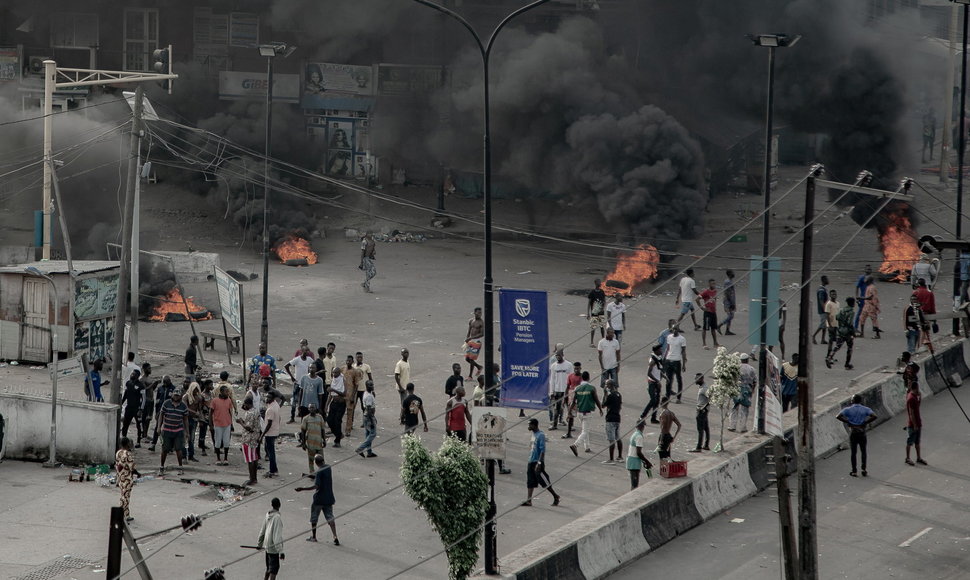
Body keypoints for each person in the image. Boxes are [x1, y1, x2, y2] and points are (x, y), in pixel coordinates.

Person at [295, 455, 340, 545]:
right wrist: (308, 476)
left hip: (319, 499)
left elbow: (316, 485)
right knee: (330, 517)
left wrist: (302, 489)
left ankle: (314, 537)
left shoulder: (319, 472)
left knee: (314, 518)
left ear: (316, 463)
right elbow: (318, 476)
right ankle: (335, 536)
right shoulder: (328, 467)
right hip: (328, 498)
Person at [521, 418, 561, 507]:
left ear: (534, 425)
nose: (529, 426)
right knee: (530, 481)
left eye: (530, 425)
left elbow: (542, 450)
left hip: (537, 462)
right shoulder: (533, 434)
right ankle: (529, 500)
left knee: (544, 481)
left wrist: (539, 463)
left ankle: (555, 496)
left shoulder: (541, 435)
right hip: (531, 461)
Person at [836, 394, 877, 477]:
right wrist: (865, 422)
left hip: (853, 432)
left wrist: (848, 422)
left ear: (852, 401)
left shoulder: (848, 409)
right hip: (862, 432)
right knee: (863, 451)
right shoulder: (865, 409)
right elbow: (874, 416)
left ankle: (854, 471)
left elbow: (838, 416)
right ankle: (863, 469)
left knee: (853, 452)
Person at [569, 371, 602, 456]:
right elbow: (596, 400)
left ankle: (587, 446)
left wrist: (569, 412)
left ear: (582, 378)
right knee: (585, 431)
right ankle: (575, 445)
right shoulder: (591, 388)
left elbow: (573, 402)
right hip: (587, 413)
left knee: (585, 430)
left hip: (579, 412)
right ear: (588, 378)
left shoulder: (577, 388)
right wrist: (600, 409)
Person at [159, 389, 189, 476]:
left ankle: (180, 467)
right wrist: (159, 427)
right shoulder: (166, 403)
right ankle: (161, 467)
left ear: (180, 396)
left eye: (177, 396)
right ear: (172, 395)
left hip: (178, 430)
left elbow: (185, 419)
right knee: (164, 449)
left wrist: (187, 432)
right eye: (175, 395)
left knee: (178, 449)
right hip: (167, 429)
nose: (176, 397)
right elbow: (161, 415)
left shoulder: (183, 406)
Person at [256, 497, 285, 580]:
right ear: (279, 505)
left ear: (272, 505)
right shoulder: (277, 518)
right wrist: (281, 551)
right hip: (273, 548)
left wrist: (259, 543)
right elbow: (277, 536)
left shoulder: (267, 515)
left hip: (267, 546)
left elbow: (263, 530)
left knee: (269, 567)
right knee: (274, 570)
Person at [285, 347, 315, 423]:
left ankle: (303, 416)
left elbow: (314, 366)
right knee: (294, 401)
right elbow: (286, 366)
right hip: (297, 383)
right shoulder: (297, 359)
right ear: (302, 351)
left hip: (306, 384)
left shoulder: (309, 360)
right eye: (305, 350)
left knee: (304, 401)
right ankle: (292, 417)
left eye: (308, 350)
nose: (307, 352)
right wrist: (292, 377)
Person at [826, 297, 856, 370]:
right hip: (847, 332)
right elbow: (850, 323)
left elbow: (837, 317)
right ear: (852, 303)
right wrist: (853, 332)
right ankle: (847, 364)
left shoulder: (842, 310)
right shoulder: (851, 312)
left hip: (840, 330)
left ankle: (829, 357)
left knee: (838, 346)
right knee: (850, 348)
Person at [237, 397, 261, 485]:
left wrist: (240, 422)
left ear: (247, 404)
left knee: (250, 460)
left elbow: (249, 428)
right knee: (254, 458)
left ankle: (252, 478)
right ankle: (254, 478)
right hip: (255, 437)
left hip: (248, 439)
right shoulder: (256, 411)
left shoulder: (249, 413)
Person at [728, 354, 755, 432]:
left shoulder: (736, 368)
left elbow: (731, 379)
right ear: (747, 360)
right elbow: (754, 381)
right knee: (744, 409)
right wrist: (752, 390)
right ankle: (743, 427)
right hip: (747, 391)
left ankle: (732, 425)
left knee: (734, 408)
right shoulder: (751, 369)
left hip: (736, 390)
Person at [148, 376, 176, 452]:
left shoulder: (173, 389)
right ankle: (153, 444)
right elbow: (157, 401)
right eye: (164, 381)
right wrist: (156, 412)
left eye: (166, 381)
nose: (165, 383)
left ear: (170, 381)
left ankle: (170, 446)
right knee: (158, 427)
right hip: (161, 412)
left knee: (170, 429)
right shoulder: (160, 388)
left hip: (170, 412)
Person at [115, 437, 140, 522]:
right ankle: (121, 514)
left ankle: (126, 514)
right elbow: (132, 467)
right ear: (127, 444)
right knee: (125, 497)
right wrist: (138, 473)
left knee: (123, 495)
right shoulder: (127, 454)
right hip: (127, 478)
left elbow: (118, 465)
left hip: (121, 477)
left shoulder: (118, 452)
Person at [904, 373, 927, 467]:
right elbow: (911, 413)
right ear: (915, 387)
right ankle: (908, 458)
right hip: (913, 424)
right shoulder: (911, 399)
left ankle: (918, 457)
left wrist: (920, 397)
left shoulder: (915, 397)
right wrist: (915, 425)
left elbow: (918, 407)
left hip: (918, 422)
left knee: (917, 441)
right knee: (910, 441)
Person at [211, 384, 235, 465]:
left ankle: (225, 458)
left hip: (227, 424)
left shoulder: (229, 400)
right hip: (218, 424)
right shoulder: (214, 401)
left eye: (228, 392)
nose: (227, 393)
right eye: (226, 391)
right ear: (221, 392)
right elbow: (211, 412)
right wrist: (211, 424)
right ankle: (218, 458)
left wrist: (231, 424)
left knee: (226, 442)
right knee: (217, 442)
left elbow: (229, 412)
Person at [640, 344, 664, 424]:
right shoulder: (653, 361)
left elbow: (658, 370)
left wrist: (664, 376)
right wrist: (657, 381)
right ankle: (642, 417)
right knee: (652, 400)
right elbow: (649, 373)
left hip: (657, 382)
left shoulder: (658, 358)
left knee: (657, 401)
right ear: (656, 351)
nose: (661, 351)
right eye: (660, 350)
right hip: (652, 383)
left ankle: (653, 418)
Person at [663, 325, 687, 402]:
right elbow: (668, 348)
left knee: (678, 379)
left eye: (676, 329)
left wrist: (684, 364)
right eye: (673, 329)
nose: (674, 330)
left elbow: (683, 352)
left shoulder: (682, 339)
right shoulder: (669, 337)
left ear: (678, 329)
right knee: (668, 379)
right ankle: (667, 396)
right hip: (668, 359)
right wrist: (664, 359)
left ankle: (678, 397)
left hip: (676, 361)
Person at [300, 404, 327, 473]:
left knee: (321, 459)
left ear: (316, 408)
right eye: (310, 408)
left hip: (319, 442)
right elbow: (303, 431)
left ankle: (322, 472)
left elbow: (323, 429)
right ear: (308, 409)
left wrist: (324, 440)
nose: (312, 409)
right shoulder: (305, 419)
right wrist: (303, 443)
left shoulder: (320, 417)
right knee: (311, 459)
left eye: (313, 408)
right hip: (310, 443)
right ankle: (312, 472)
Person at [626, 420, 653, 489]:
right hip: (634, 461)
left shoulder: (635, 434)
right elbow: (638, 452)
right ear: (642, 426)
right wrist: (647, 462)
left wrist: (643, 461)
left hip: (631, 459)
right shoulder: (639, 437)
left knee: (634, 483)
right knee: (635, 484)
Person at [549, 351, 571, 429]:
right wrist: (551, 391)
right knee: (556, 409)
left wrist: (571, 390)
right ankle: (554, 425)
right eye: (556, 356)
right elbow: (552, 379)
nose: (558, 357)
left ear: (563, 355)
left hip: (567, 390)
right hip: (557, 390)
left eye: (559, 355)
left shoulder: (568, 365)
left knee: (569, 408)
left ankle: (570, 426)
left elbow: (571, 377)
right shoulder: (553, 366)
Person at [341, 356, 363, 435]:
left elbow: (356, 385)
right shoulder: (342, 369)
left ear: (352, 361)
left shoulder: (355, 371)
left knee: (350, 413)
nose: (348, 362)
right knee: (340, 412)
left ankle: (348, 430)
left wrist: (353, 396)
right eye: (347, 360)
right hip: (342, 394)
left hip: (350, 395)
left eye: (350, 361)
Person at [121, 369, 144, 443]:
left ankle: (138, 441)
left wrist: (141, 409)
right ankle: (123, 439)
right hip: (129, 407)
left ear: (137, 376)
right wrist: (121, 403)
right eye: (131, 374)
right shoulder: (128, 383)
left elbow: (143, 398)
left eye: (133, 374)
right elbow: (126, 394)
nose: (131, 375)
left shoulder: (141, 386)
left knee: (138, 425)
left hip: (137, 408)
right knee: (125, 424)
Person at [261, 392, 282, 478]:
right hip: (275, 430)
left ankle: (273, 470)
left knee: (270, 452)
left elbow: (269, 424)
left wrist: (262, 435)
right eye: (266, 397)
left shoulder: (270, 410)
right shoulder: (276, 405)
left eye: (269, 397)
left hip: (270, 433)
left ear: (273, 398)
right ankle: (273, 469)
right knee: (271, 451)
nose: (266, 398)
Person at [602, 380, 623, 463]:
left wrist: (605, 394)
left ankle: (611, 459)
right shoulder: (618, 394)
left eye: (606, 385)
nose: (606, 386)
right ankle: (620, 456)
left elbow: (603, 405)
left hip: (610, 418)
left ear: (610, 385)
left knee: (611, 439)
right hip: (617, 417)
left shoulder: (610, 395)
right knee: (618, 438)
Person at [561, 362, 583, 439]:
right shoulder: (570, 376)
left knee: (582, 416)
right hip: (571, 396)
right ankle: (569, 432)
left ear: (580, 368)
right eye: (575, 368)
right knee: (570, 415)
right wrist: (565, 398)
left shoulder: (582, 377)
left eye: (578, 368)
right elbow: (567, 387)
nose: (576, 370)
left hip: (580, 397)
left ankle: (584, 433)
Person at [356, 381, 378, 458]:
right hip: (369, 416)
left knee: (368, 434)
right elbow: (368, 409)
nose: (372, 386)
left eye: (372, 384)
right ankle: (360, 448)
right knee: (373, 434)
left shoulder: (367, 393)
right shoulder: (368, 396)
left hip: (366, 416)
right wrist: (372, 420)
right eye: (370, 385)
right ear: (366, 386)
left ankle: (369, 452)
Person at [689, 373, 710, 452]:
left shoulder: (704, 389)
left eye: (696, 379)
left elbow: (710, 398)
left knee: (700, 429)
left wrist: (703, 408)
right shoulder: (702, 387)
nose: (695, 381)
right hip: (703, 410)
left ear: (701, 379)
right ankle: (706, 445)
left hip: (701, 411)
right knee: (706, 428)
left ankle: (698, 447)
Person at [657, 396, 681, 461]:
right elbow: (679, 425)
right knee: (667, 455)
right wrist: (674, 437)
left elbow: (663, 427)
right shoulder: (671, 413)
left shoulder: (662, 414)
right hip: (668, 435)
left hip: (663, 435)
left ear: (661, 403)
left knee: (662, 456)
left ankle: (663, 470)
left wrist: (661, 440)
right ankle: (667, 469)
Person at [698, 278, 720, 349]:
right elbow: (697, 299)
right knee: (705, 328)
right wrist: (702, 308)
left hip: (713, 312)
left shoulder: (715, 291)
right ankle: (704, 344)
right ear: (709, 284)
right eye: (712, 283)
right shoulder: (706, 292)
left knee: (713, 328)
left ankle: (715, 343)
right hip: (707, 313)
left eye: (714, 283)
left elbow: (714, 300)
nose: (713, 285)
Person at [327, 368, 347, 447]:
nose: (334, 374)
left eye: (335, 373)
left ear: (339, 373)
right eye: (333, 373)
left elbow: (344, 394)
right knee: (329, 420)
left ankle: (337, 441)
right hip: (333, 403)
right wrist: (326, 405)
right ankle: (338, 434)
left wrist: (333, 390)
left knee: (337, 421)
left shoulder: (343, 380)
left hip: (341, 404)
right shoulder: (333, 380)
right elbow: (330, 395)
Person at [464, 307, 484, 378]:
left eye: (480, 313)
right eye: (478, 313)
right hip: (471, 340)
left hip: (477, 341)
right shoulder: (471, 321)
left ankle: (470, 375)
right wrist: (467, 339)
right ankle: (478, 367)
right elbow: (469, 331)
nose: (480, 314)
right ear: (475, 313)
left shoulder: (481, 322)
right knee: (467, 358)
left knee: (471, 358)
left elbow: (482, 334)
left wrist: (471, 338)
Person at [587, 279, 607, 346]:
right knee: (593, 327)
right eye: (598, 282)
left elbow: (604, 301)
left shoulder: (602, 292)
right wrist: (588, 313)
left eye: (600, 282)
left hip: (601, 312)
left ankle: (603, 341)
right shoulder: (592, 292)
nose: (600, 283)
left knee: (602, 327)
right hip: (594, 312)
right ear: (595, 283)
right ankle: (592, 342)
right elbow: (589, 303)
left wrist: (603, 308)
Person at [853, 265, 872, 332]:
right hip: (863, 298)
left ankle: (875, 327)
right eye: (867, 269)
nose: (868, 270)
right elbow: (857, 287)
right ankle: (855, 327)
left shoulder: (871, 278)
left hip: (869, 298)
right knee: (860, 313)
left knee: (872, 312)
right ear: (865, 270)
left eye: (870, 269)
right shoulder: (861, 278)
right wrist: (857, 297)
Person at [394, 348, 411, 423]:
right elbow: (396, 376)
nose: (406, 354)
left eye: (407, 353)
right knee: (404, 403)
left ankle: (402, 416)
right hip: (402, 387)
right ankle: (402, 419)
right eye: (404, 353)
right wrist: (400, 387)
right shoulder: (399, 364)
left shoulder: (407, 362)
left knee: (405, 402)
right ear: (402, 354)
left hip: (406, 386)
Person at [718, 269, 737, 335]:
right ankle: (720, 325)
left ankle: (727, 330)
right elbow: (727, 293)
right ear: (729, 274)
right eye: (732, 273)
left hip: (729, 301)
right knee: (730, 316)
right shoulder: (728, 282)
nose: (733, 274)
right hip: (728, 302)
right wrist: (731, 303)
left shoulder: (729, 281)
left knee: (731, 315)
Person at [823, 289, 841, 353]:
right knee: (831, 341)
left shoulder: (838, 303)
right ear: (830, 295)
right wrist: (830, 325)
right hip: (831, 325)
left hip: (837, 324)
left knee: (837, 341)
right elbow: (827, 315)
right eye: (832, 294)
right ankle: (828, 355)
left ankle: (832, 355)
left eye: (835, 294)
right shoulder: (828, 304)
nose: (834, 295)